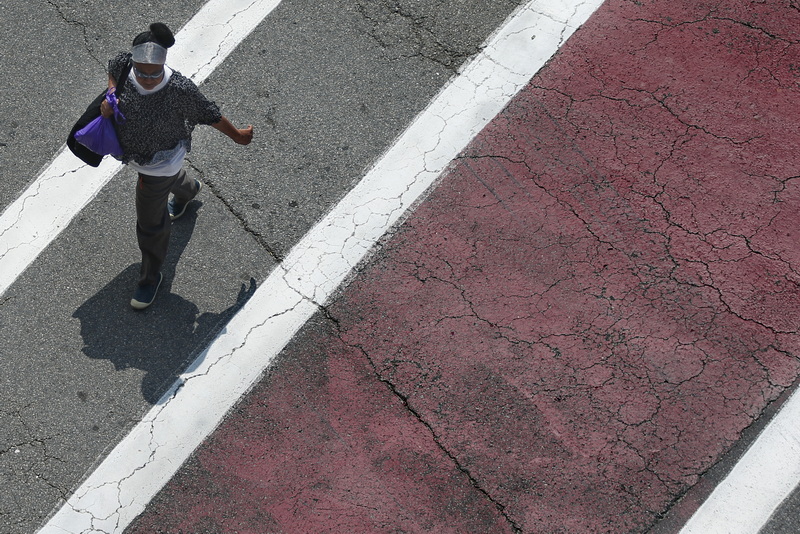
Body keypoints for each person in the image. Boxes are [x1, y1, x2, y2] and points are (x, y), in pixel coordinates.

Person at [100, 22, 253, 310]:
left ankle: (149, 278)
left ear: (164, 64)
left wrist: (238, 137)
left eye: (153, 73)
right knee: (165, 186)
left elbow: (210, 114)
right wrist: (111, 95)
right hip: (133, 152)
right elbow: (113, 69)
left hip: (160, 164)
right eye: (141, 71)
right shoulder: (124, 64)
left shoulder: (179, 89)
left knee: (150, 224)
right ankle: (187, 189)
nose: (146, 78)